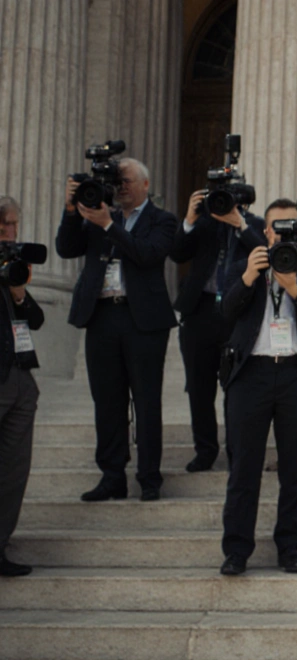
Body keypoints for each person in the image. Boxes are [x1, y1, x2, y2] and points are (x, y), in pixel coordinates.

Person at [217, 199, 297, 576]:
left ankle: (289, 546)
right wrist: (250, 276)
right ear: (264, 231)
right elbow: (225, 312)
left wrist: (295, 289)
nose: (282, 235)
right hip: (251, 374)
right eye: (276, 227)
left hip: (296, 374)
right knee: (243, 468)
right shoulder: (244, 265)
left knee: (294, 468)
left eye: (290, 228)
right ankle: (236, 550)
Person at [56, 158, 178, 502]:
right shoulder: (97, 215)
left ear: (145, 184)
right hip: (102, 315)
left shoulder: (162, 220)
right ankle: (112, 476)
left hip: (144, 320)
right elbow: (66, 248)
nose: (120, 187)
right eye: (116, 182)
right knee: (107, 400)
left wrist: (109, 225)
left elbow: (147, 255)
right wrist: (71, 210)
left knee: (146, 400)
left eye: (126, 181)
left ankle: (149, 477)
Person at [170, 190, 267, 472]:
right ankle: (205, 451)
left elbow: (264, 255)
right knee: (198, 388)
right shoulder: (203, 223)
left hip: (236, 312)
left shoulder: (254, 224)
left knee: (235, 387)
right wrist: (189, 219)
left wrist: (241, 226)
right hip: (199, 310)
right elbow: (177, 253)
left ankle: (236, 451)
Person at [0, 197, 43, 577]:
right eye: (3, 226)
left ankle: (0, 546)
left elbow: (37, 320)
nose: (9, 232)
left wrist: (18, 293)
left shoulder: (13, 269)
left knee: (14, 472)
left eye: (12, 224)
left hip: (19, 377)